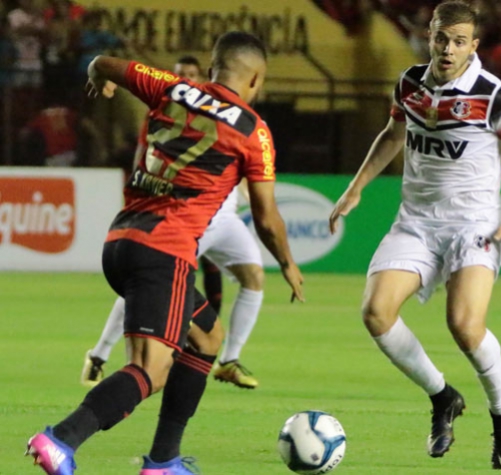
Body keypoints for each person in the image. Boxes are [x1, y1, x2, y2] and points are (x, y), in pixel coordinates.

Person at [26, 31, 304, 475]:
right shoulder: (254, 130)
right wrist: (288, 263)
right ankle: (61, 438)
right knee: (149, 370)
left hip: (121, 242)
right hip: (165, 251)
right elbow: (267, 217)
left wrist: (102, 77)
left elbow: (102, 61)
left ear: (213, 68)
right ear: (256, 79)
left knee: (207, 337)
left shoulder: (171, 86)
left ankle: (163, 461)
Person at [329, 1, 501, 469]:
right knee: (375, 312)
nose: (448, 49)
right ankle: (442, 396)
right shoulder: (409, 83)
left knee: (464, 326)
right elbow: (392, 134)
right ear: (430, 36)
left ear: (473, 46)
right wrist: (354, 189)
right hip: (418, 221)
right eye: (442, 39)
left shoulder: (491, 94)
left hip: (474, 225)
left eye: (459, 41)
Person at [81, 56, 269, 390]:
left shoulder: (236, 121)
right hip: (183, 214)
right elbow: (148, 157)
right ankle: (100, 352)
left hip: (223, 217)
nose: (185, 79)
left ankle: (228, 360)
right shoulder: (174, 102)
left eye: (190, 75)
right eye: (181, 75)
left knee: (253, 275)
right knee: (149, 279)